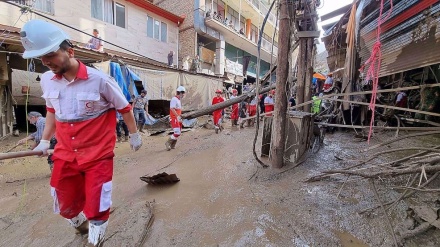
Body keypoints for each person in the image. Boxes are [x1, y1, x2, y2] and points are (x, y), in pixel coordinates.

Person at [20, 19, 142, 246]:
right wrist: (45, 141)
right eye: (41, 58)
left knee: (97, 203)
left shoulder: (101, 81)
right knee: (63, 198)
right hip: (65, 153)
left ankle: (95, 238)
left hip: (98, 154)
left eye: (51, 55)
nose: (46, 62)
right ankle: (80, 224)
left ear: (70, 51)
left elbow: (124, 108)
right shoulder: (47, 81)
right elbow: (51, 112)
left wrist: (134, 135)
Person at [165, 86, 186, 150]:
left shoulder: (178, 100)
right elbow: (172, 108)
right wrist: (177, 116)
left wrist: (180, 117)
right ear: (180, 93)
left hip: (178, 118)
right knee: (177, 132)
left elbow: (178, 110)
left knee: (178, 132)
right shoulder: (174, 99)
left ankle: (172, 144)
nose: (183, 95)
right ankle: (168, 143)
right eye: (183, 93)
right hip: (174, 118)